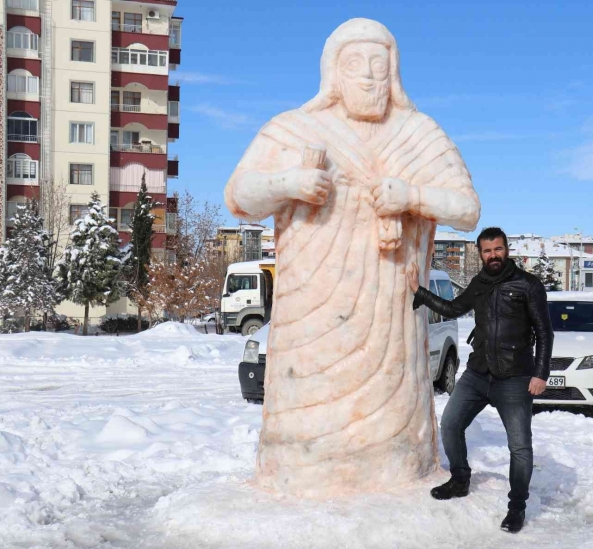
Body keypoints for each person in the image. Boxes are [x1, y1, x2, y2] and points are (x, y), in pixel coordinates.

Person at [224, 18, 480, 497]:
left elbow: (466, 209)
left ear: (394, 74)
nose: (368, 77)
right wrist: (288, 183)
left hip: (391, 314)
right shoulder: (295, 129)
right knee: (308, 418)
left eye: (379, 66)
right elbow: (239, 193)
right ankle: (301, 473)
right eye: (355, 65)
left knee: (390, 429)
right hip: (311, 316)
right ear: (333, 74)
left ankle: (395, 469)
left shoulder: (418, 133)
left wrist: (412, 194)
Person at [408, 227, 554, 533]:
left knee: (519, 447)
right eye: (487, 251)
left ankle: (517, 507)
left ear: (507, 250)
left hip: (515, 378)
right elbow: (453, 308)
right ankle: (460, 479)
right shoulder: (480, 283)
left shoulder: (528, 285)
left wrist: (540, 373)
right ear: (481, 254)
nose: (493, 256)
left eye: (497, 249)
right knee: (450, 424)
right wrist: (420, 293)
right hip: (477, 373)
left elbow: (544, 332)